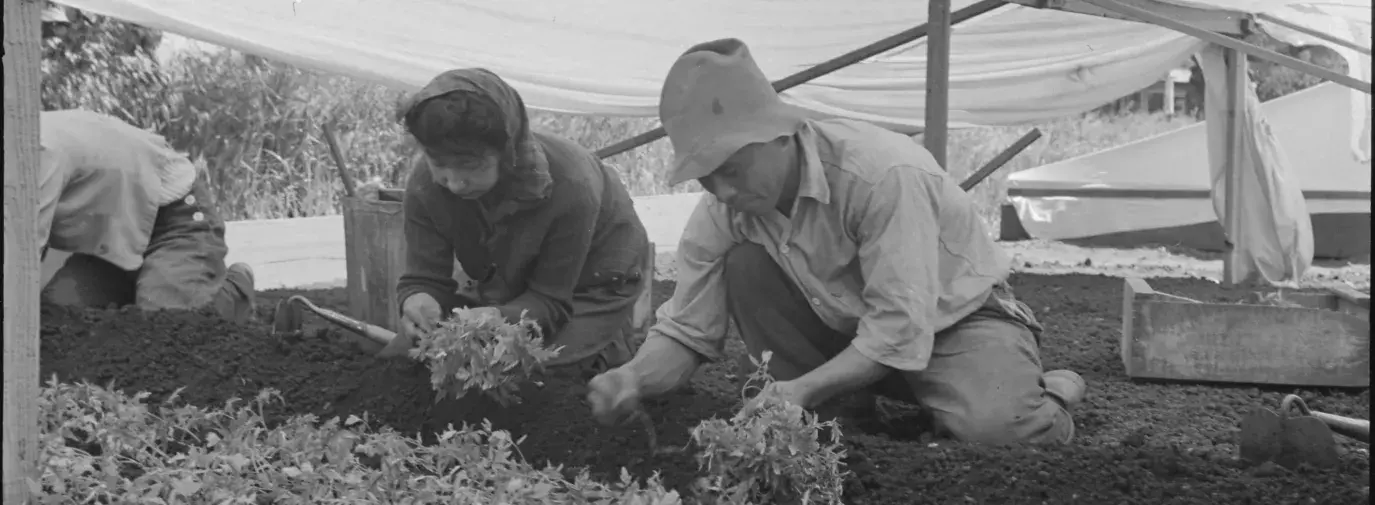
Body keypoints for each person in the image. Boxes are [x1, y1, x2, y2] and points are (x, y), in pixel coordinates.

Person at [586, 39, 1088, 445]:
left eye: (731, 169)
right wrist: (632, 378)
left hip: (956, 322)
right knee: (746, 264)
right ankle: (845, 410)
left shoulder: (881, 176)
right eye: (705, 177)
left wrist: (800, 388)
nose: (722, 191)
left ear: (779, 134)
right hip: (853, 334)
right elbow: (686, 331)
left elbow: (898, 327)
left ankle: (1056, 394)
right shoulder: (724, 210)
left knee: (996, 432)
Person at [378, 68, 651, 372]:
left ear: (506, 151)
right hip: (511, 279)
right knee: (400, 364)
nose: (455, 183)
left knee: (527, 374)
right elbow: (423, 276)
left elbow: (549, 301)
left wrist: (497, 318)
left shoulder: (571, 188)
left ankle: (611, 346)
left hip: (594, 278)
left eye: (471, 165)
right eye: (439, 163)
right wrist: (418, 298)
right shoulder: (426, 185)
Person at [39, 109, 256, 323]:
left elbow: (22, 259)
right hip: (110, 241)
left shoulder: (39, 154)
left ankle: (233, 291)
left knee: (165, 327)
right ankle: (149, 291)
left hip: (175, 221)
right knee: (58, 319)